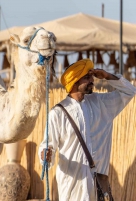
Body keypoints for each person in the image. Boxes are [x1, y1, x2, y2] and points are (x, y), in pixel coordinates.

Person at [38, 58, 136, 201]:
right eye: (87, 77)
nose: (92, 79)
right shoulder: (57, 114)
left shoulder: (102, 104)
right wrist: (45, 155)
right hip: (72, 185)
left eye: (91, 76)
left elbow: (130, 91)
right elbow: (48, 147)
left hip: (97, 186)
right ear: (74, 82)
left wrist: (107, 76)